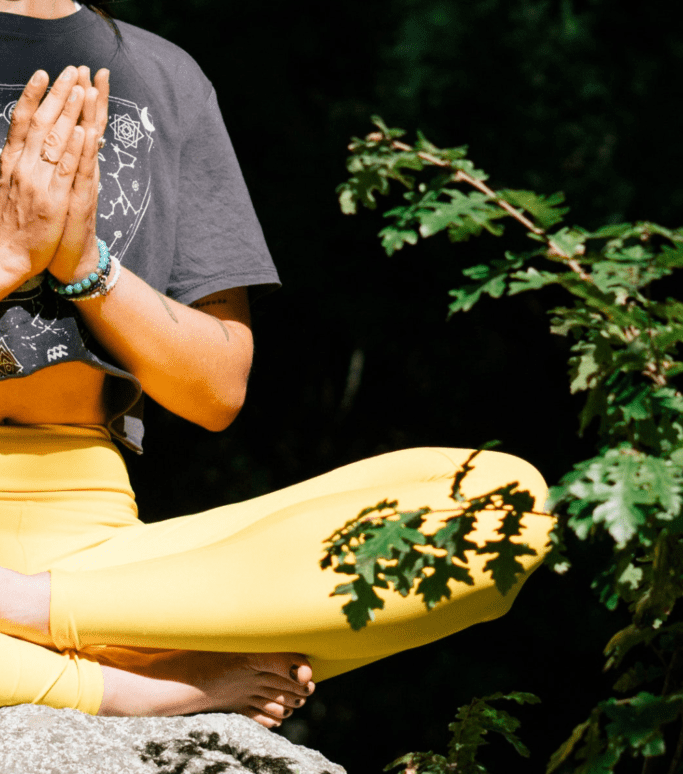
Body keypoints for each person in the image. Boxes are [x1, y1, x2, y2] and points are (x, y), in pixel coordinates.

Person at [0, 0, 553, 727]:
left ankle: (32, 613)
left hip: (96, 548)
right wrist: (8, 257)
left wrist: (84, 267)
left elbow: (216, 390)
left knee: (500, 505)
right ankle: (134, 688)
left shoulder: (165, 76)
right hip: (109, 603)